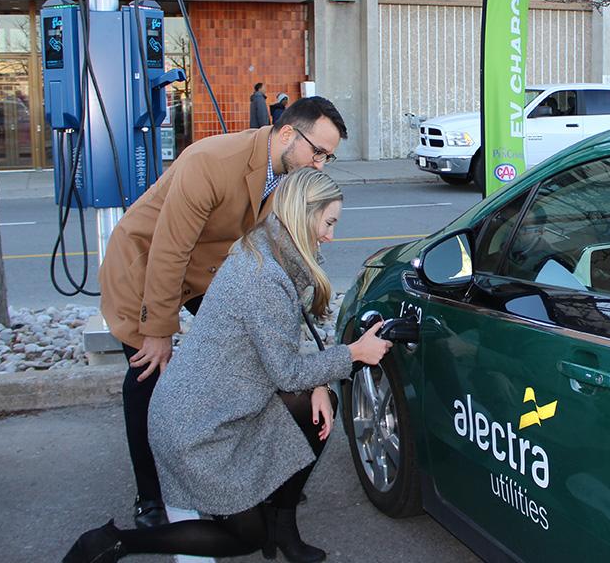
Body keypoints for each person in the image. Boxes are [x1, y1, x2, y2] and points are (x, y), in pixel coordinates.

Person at [64, 169, 393, 563]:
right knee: (244, 536)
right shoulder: (265, 276)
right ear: (302, 213)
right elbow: (287, 373)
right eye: (328, 222)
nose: (330, 235)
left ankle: (283, 528)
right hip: (198, 428)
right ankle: (114, 543)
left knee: (317, 410)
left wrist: (321, 380)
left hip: (219, 404)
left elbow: (285, 343)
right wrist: (355, 353)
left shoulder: (266, 244)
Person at [97, 96, 345, 529]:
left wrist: (316, 368)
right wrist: (158, 331)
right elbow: (169, 250)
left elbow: (285, 270)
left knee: (247, 358)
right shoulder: (210, 161)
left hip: (207, 269)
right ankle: (151, 496)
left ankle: (237, 476)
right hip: (145, 267)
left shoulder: (289, 178)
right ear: (287, 133)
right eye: (318, 152)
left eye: (329, 157)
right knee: (147, 378)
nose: (321, 165)